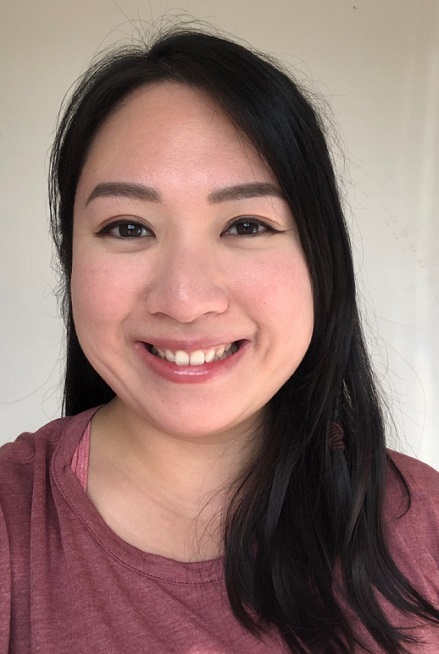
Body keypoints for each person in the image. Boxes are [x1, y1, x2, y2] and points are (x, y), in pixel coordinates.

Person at [0, 27, 438, 654]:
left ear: (321, 259)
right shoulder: (13, 524)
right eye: (128, 227)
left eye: (246, 225)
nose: (184, 299)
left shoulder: (424, 524)